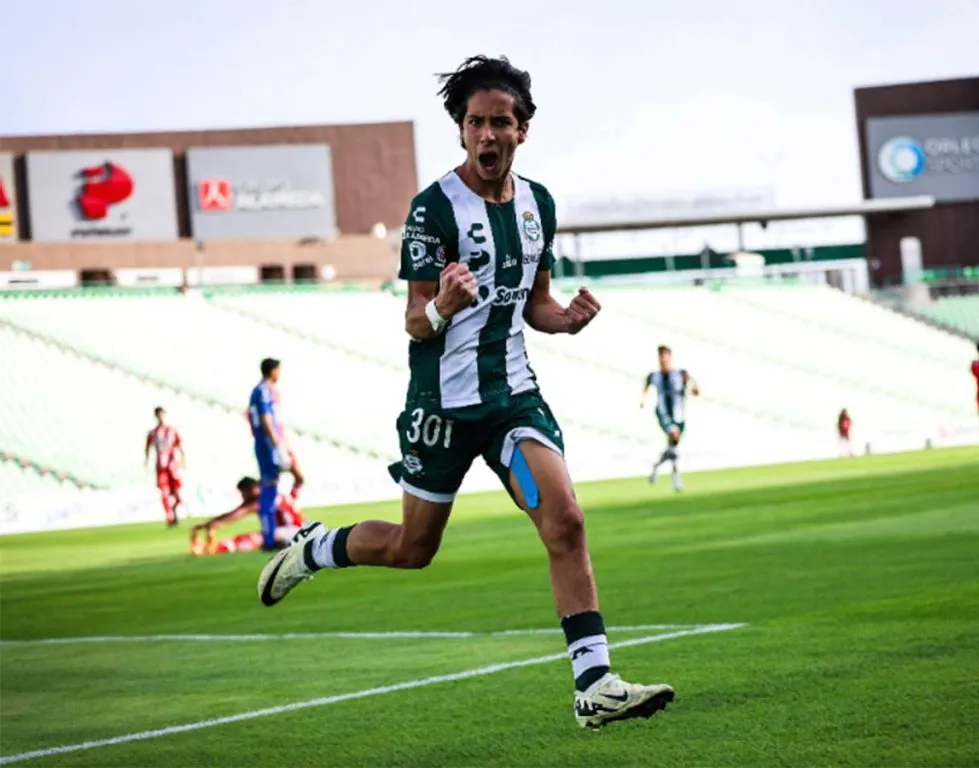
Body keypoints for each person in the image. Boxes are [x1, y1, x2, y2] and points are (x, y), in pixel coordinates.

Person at [257, 55, 674, 730]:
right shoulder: (433, 208)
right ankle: (316, 548)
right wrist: (447, 305)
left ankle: (594, 684)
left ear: (523, 130)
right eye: (475, 122)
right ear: (460, 131)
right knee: (412, 551)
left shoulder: (540, 204)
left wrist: (563, 319)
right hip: (442, 410)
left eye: (500, 122)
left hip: (513, 398)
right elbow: (415, 320)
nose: (488, 134)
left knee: (565, 520)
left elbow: (535, 302)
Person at [248, 358, 305, 551]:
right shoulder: (263, 390)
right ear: (272, 371)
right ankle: (270, 537)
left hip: (272, 443)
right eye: (278, 370)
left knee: (279, 485)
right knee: (269, 490)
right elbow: (265, 419)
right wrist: (276, 445)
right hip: (269, 445)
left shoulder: (264, 390)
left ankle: (275, 531)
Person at [189, 476, 304, 556]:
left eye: (243, 492)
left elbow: (238, 514)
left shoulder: (263, 499)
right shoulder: (267, 494)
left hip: (292, 530)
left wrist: (214, 524)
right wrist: (208, 524)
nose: (243, 496)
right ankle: (215, 547)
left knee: (255, 538)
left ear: (253, 488)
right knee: (261, 536)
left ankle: (216, 548)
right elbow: (235, 512)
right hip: (289, 530)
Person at [641, 346, 700, 492]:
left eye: (666, 356)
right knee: (673, 438)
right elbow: (646, 390)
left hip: (679, 415)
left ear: (670, 357)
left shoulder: (680, 374)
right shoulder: (654, 376)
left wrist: (693, 388)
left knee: (672, 448)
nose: (663, 360)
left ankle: (656, 466)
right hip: (664, 414)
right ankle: (676, 481)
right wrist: (643, 400)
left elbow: (695, 389)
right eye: (661, 357)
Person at [144, 407, 186, 527]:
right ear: (156, 416)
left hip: (173, 466)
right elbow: (147, 448)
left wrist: (183, 461)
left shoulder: (172, 430)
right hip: (161, 468)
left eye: (162, 414)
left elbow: (180, 446)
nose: (161, 417)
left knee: (178, 495)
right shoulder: (152, 433)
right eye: (158, 415)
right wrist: (146, 462)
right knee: (164, 493)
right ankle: (170, 517)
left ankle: (173, 510)